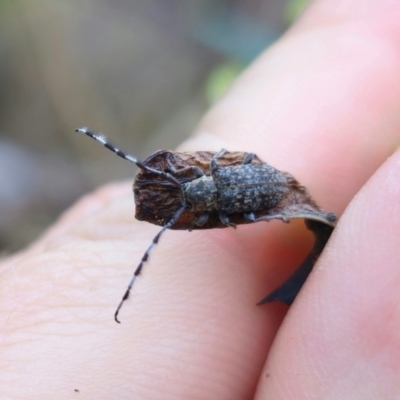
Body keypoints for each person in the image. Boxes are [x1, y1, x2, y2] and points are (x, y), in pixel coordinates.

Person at [1, 1, 400, 398]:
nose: (188, 191)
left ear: (200, 182)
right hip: (255, 185)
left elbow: (238, 204)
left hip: (264, 186)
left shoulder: (218, 198)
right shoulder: (213, 183)